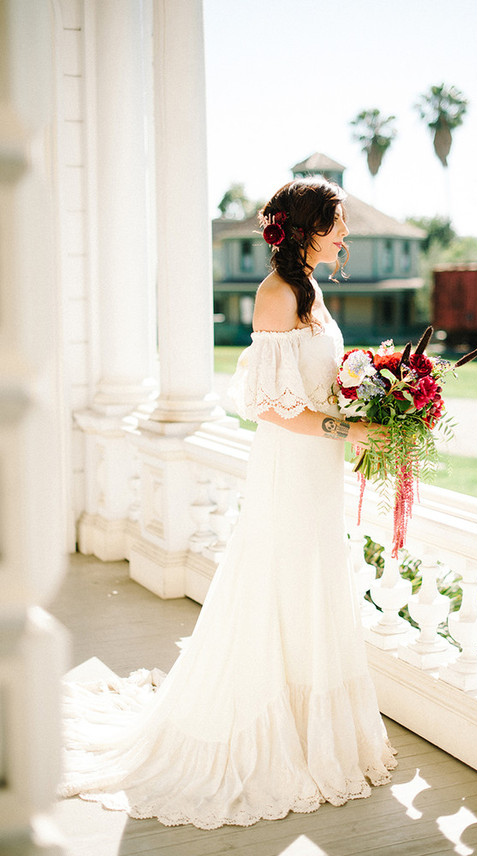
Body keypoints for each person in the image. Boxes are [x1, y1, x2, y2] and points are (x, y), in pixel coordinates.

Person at [59, 176, 397, 829]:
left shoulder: (311, 288)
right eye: (339, 225)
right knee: (279, 582)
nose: (346, 235)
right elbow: (273, 408)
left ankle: (313, 724)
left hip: (317, 469)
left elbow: (315, 379)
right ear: (306, 231)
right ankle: (271, 730)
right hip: (290, 467)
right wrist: (347, 428)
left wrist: (366, 391)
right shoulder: (274, 296)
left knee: (313, 583)